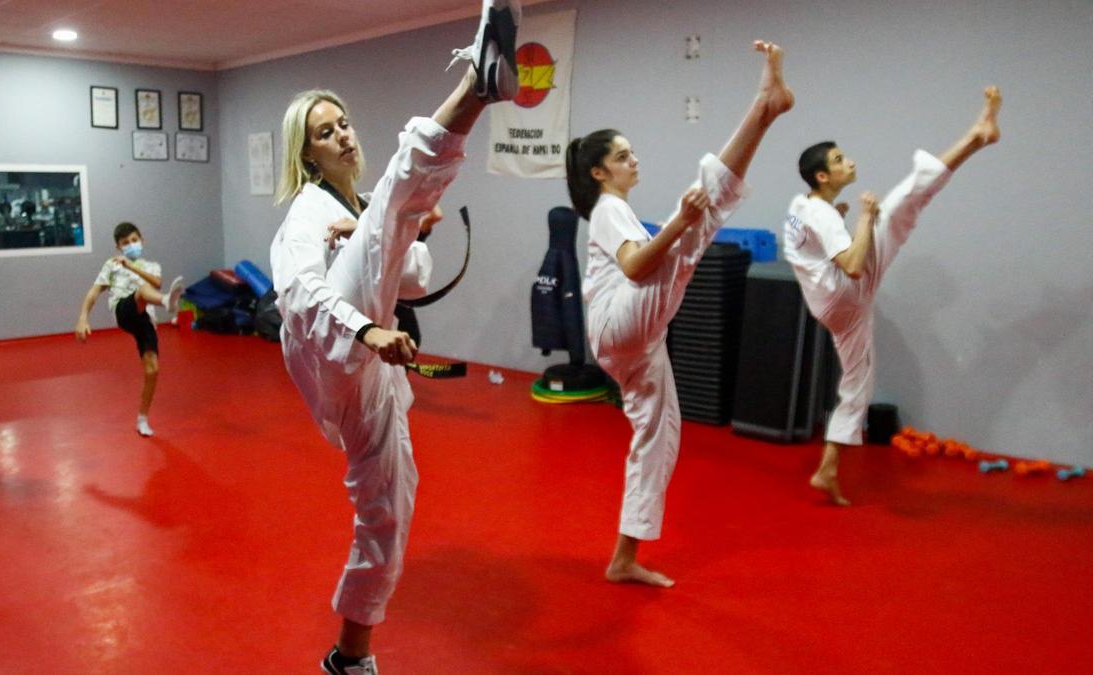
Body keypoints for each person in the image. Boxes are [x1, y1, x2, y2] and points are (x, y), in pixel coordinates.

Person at [269, 1, 520, 672]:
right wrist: (368, 329)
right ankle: (478, 82)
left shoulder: (355, 215)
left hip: (374, 377)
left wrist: (411, 233)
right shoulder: (308, 212)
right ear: (308, 155)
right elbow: (298, 294)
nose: (344, 135)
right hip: (337, 358)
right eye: (326, 133)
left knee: (390, 510)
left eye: (344, 122)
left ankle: (351, 656)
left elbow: (407, 275)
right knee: (393, 196)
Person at [569, 41, 794, 587]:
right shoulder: (607, 209)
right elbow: (639, 269)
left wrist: (680, 227)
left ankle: (624, 556)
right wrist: (677, 224)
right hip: (617, 324)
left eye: (631, 152)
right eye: (622, 155)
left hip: (637, 344)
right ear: (599, 173)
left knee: (661, 436)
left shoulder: (616, 206)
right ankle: (762, 109)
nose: (634, 159)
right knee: (690, 233)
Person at [785, 87, 1002, 506]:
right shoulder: (821, 212)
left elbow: (809, 244)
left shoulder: (803, 205)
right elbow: (851, 262)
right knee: (902, 203)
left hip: (832, 304)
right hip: (846, 291)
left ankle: (828, 469)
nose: (850, 161)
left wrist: (847, 220)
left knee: (858, 385)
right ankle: (975, 137)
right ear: (822, 178)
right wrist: (865, 218)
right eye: (838, 160)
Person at [74, 222, 183, 437]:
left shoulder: (150, 266)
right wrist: (83, 317)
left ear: (142, 240)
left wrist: (131, 266)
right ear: (118, 248)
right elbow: (94, 292)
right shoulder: (112, 265)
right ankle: (167, 302)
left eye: (134, 240)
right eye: (125, 243)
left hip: (145, 320)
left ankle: (142, 419)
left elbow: (158, 281)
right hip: (123, 311)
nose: (131, 245)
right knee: (141, 291)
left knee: (152, 369)